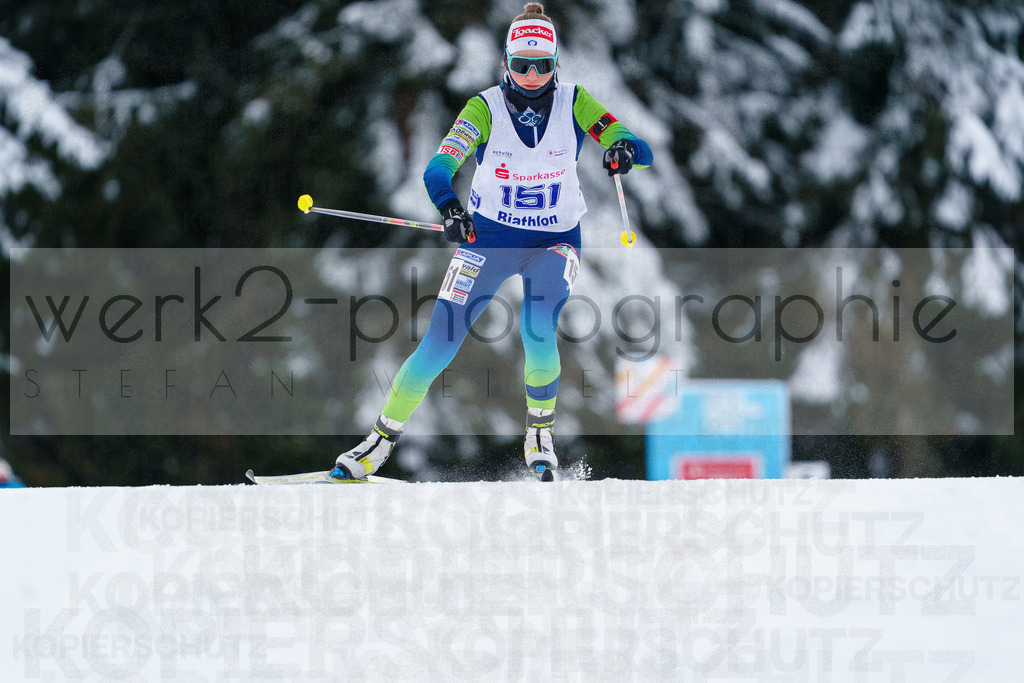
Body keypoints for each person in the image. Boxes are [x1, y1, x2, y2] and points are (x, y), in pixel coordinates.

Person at [331, 2, 652, 482]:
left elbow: (636, 148)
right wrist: (450, 208)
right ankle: (378, 442)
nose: (530, 74)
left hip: (554, 240)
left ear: (556, 64)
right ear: (505, 62)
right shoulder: (484, 107)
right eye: (520, 64)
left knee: (538, 325)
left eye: (541, 65)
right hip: (489, 238)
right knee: (440, 340)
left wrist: (623, 150)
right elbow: (439, 166)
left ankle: (539, 432)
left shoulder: (576, 102)